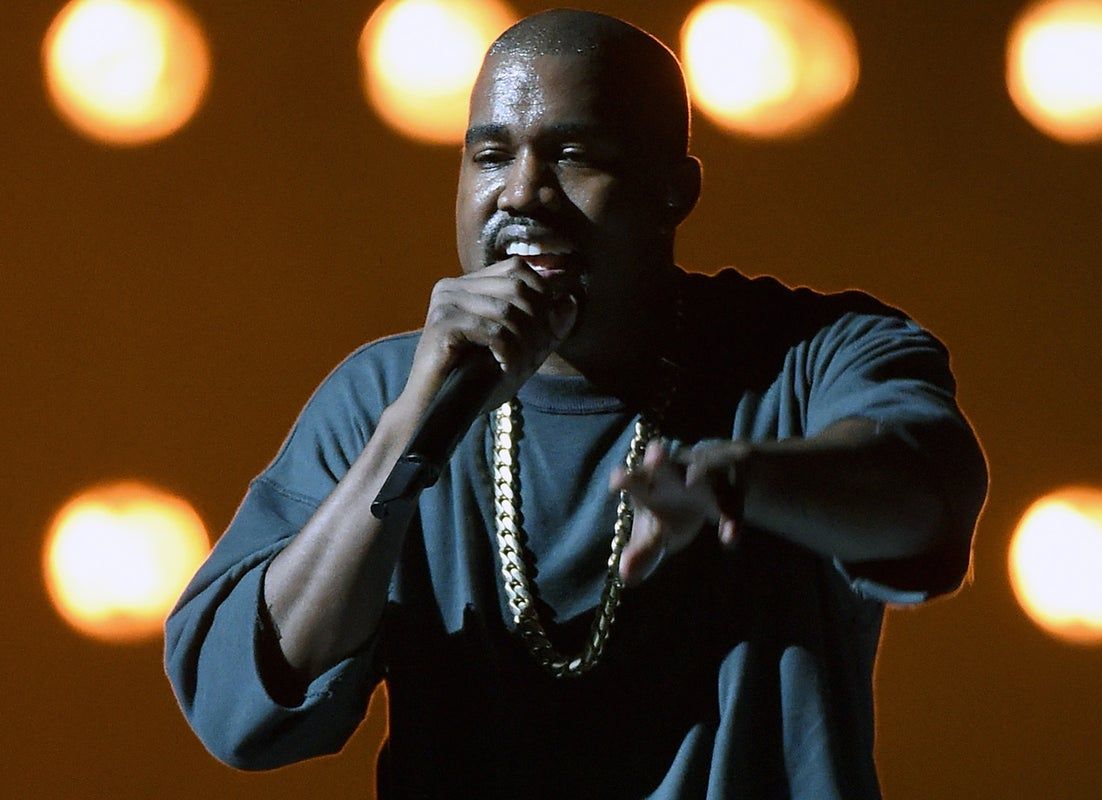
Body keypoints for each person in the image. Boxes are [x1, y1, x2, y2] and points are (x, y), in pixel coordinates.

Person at [165, 9, 987, 798]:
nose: (523, 193)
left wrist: (734, 481)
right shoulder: (385, 393)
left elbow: (924, 499)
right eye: (491, 156)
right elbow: (236, 706)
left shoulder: (809, 356)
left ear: (674, 192)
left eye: (572, 155)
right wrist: (408, 429)